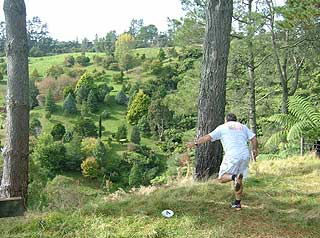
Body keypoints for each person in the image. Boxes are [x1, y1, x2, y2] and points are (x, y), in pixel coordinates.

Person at [187, 113, 258, 210]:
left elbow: (207, 137)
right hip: (245, 155)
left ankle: (234, 177)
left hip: (232, 155)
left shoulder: (222, 127)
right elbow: (253, 138)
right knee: (239, 180)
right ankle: (237, 203)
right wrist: (254, 150)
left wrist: (195, 143)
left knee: (221, 178)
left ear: (226, 120)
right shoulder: (243, 127)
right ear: (235, 120)